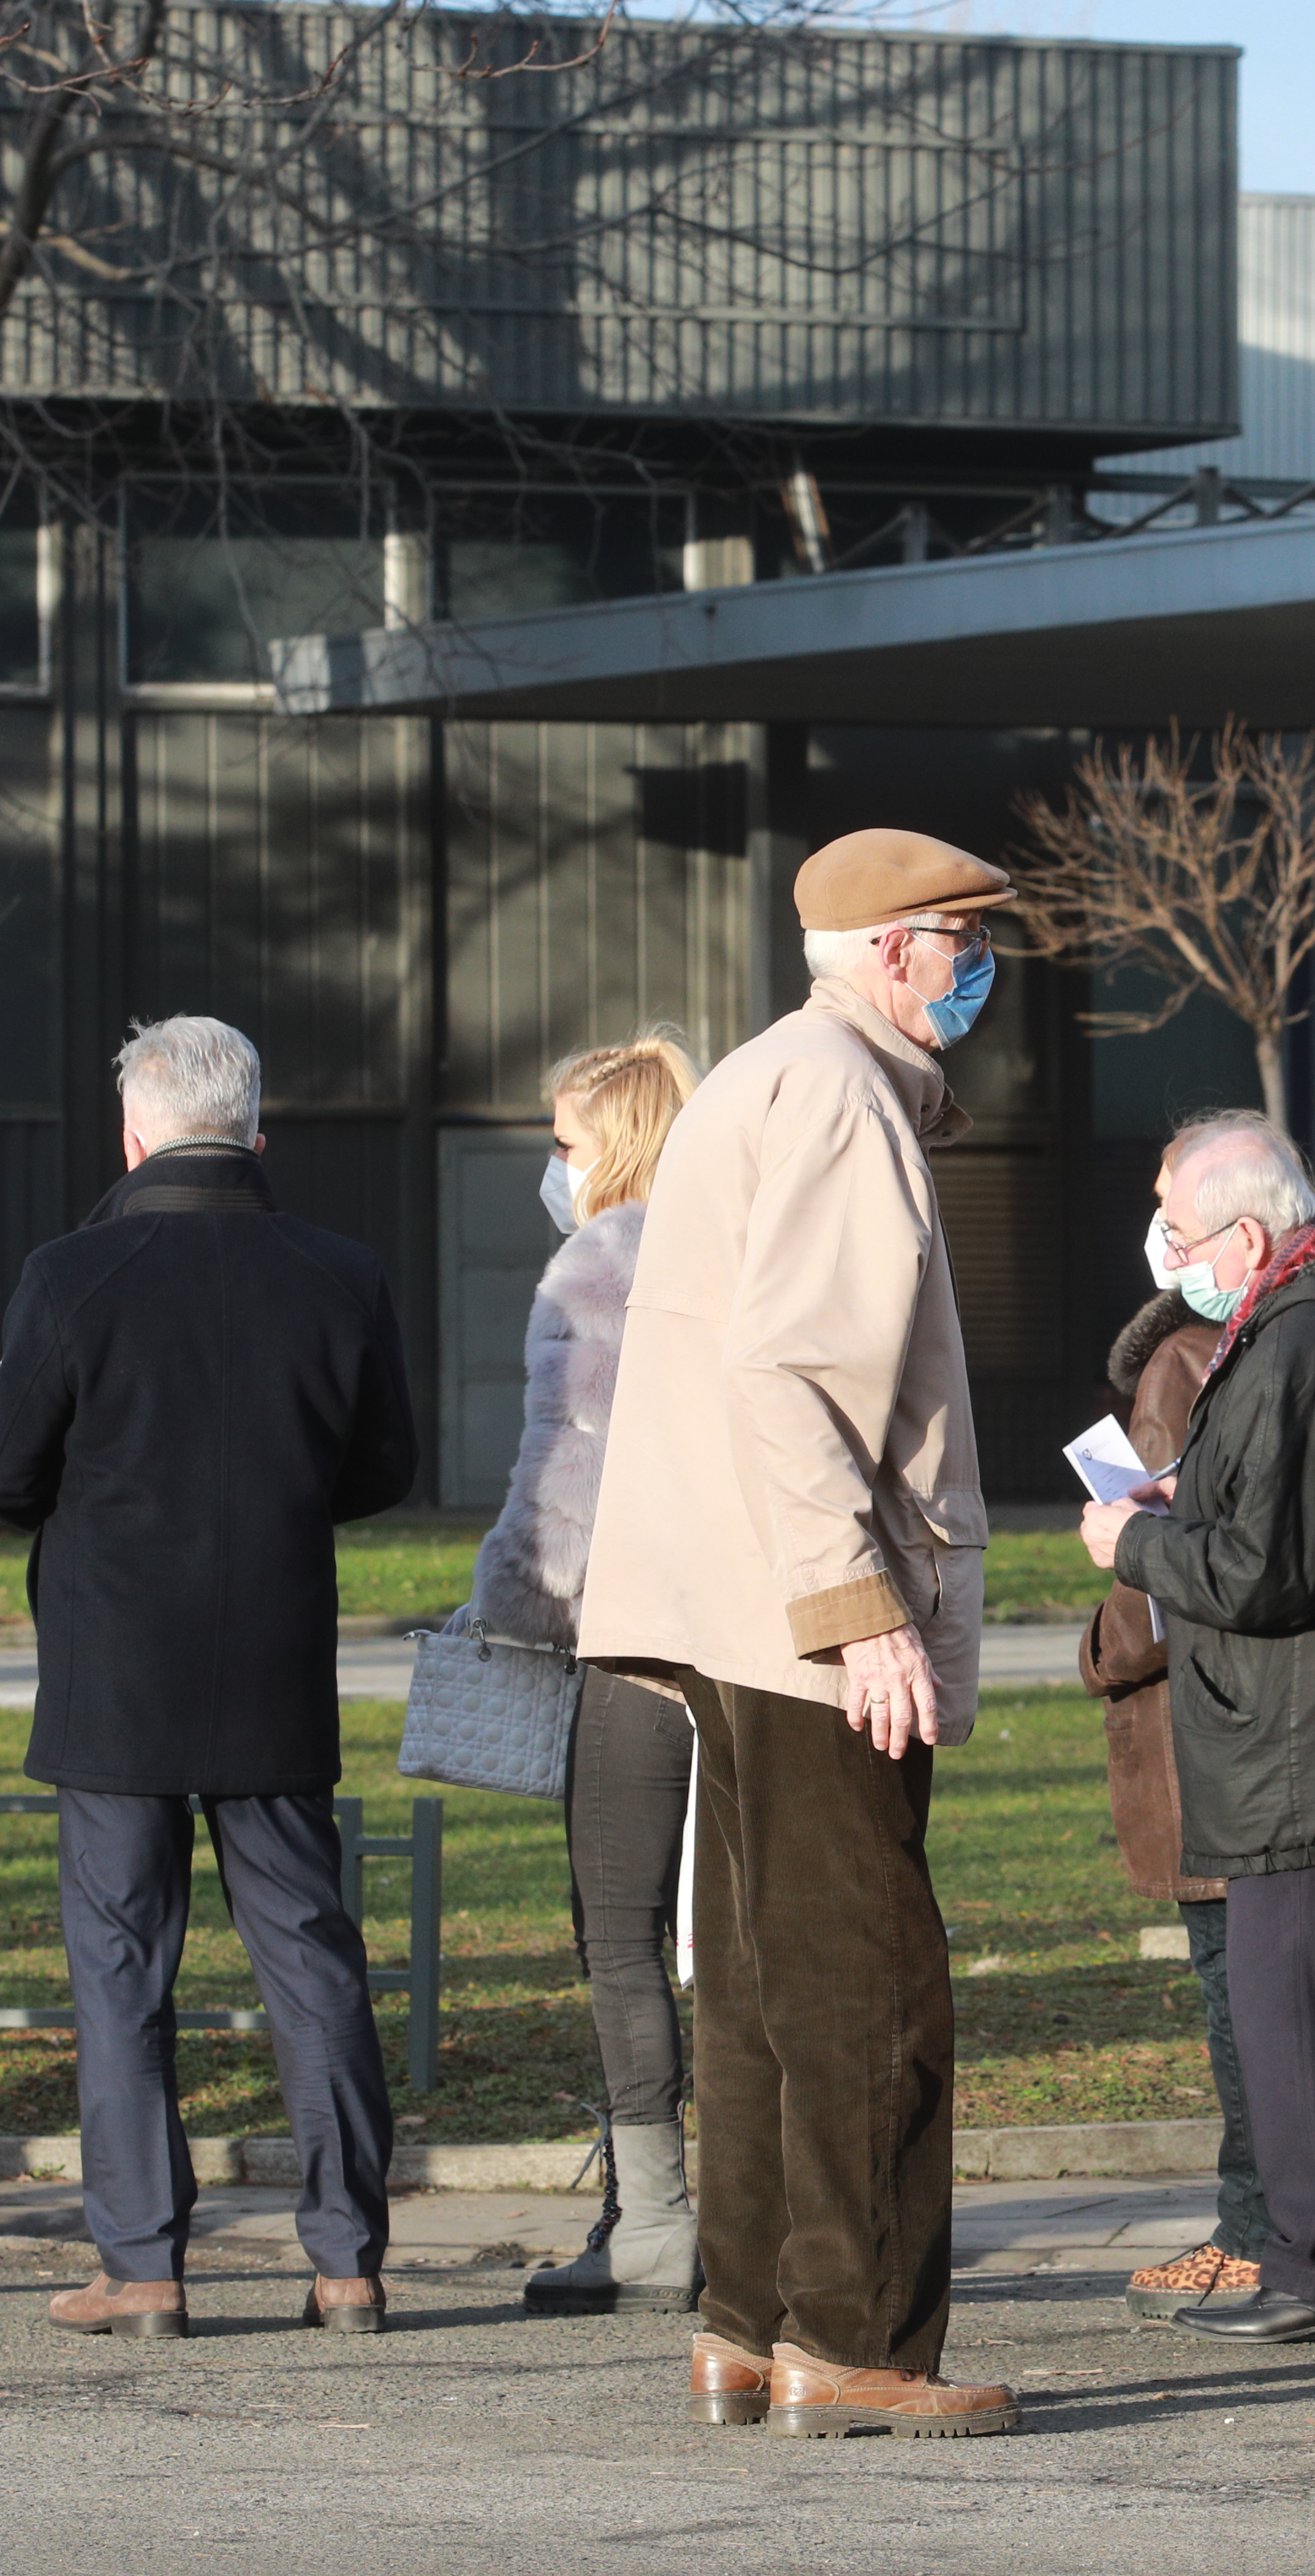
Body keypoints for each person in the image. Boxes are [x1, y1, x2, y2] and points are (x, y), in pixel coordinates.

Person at [574, 828, 1023, 2439]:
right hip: (802, 1614)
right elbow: (795, 1371)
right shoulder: (840, 1093)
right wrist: (862, 1614)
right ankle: (858, 2342)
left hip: (724, 1609)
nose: (983, 975)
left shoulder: (764, 1077)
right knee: (870, 1981)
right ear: (896, 948)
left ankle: (747, 2327)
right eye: (967, 944)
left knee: (764, 1983)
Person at [0, 1014, 419, 2342]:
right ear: (255, 1127)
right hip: (274, 1656)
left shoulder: (72, 1271)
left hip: (115, 1667)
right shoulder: (341, 1272)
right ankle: (346, 2262)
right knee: (313, 1959)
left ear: (134, 1132)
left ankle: (145, 2265)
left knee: (121, 1972)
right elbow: (383, 1466)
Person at [1080, 1112, 1315, 2351]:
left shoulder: (1300, 1342)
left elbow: (1265, 1572)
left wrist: (1130, 1539)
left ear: (1247, 1233)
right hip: (1303, 1723)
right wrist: (1202, 1493)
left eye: (1180, 1229)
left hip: (1292, 1728)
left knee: (1303, 2020)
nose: (1166, 1249)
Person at [466, 1030, 703, 2317]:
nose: (550, 1168)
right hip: (739, 1639)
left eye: (563, 1141)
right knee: (724, 1935)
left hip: (627, 1643)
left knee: (619, 1934)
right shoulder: (735, 1248)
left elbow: (564, 1483)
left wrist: (499, 1614)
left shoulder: (603, 1262)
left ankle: (652, 2216)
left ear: (614, 1141)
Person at [1072, 1281, 1259, 2320]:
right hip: (1249, 1724)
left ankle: (1252, 2227)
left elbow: (1154, 1590)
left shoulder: (1173, 1368)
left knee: (1233, 1991)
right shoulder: (1240, 1345)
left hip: (1199, 1733)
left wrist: (1098, 1652)